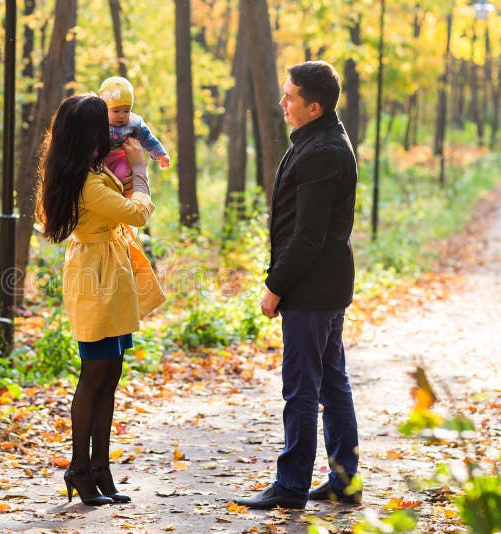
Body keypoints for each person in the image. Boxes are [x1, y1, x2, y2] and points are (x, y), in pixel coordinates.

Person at [234, 61, 361, 510]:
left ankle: (290, 488)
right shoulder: (315, 139)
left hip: (312, 289)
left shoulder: (324, 150)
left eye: (289, 97)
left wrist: (275, 286)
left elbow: (308, 235)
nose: (281, 103)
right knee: (331, 383)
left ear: (314, 105)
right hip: (323, 286)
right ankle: (344, 481)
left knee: (303, 390)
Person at [37, 93, 165, 506]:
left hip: (109, 271)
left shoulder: (90, 169)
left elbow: (121, 205)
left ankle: (100, 469)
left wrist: (126, 175)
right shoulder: (86, 182)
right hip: (95, 280)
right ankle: (79, 468)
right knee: (94, 377)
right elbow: (138, 214)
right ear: (89, 132)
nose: (114, 130)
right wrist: (141, 170)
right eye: (104, 124)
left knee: (110, 375)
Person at [98, 76, 170, 197]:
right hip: (99, 160)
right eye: (116, 111)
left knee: (124, 177)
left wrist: (161, 154)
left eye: (126, 111)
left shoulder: (134, 123)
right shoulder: (96, 121)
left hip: (120, 158)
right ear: (104, 109)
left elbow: (148, 138)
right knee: (101, 181)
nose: (121, 115)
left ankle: (130, 203)